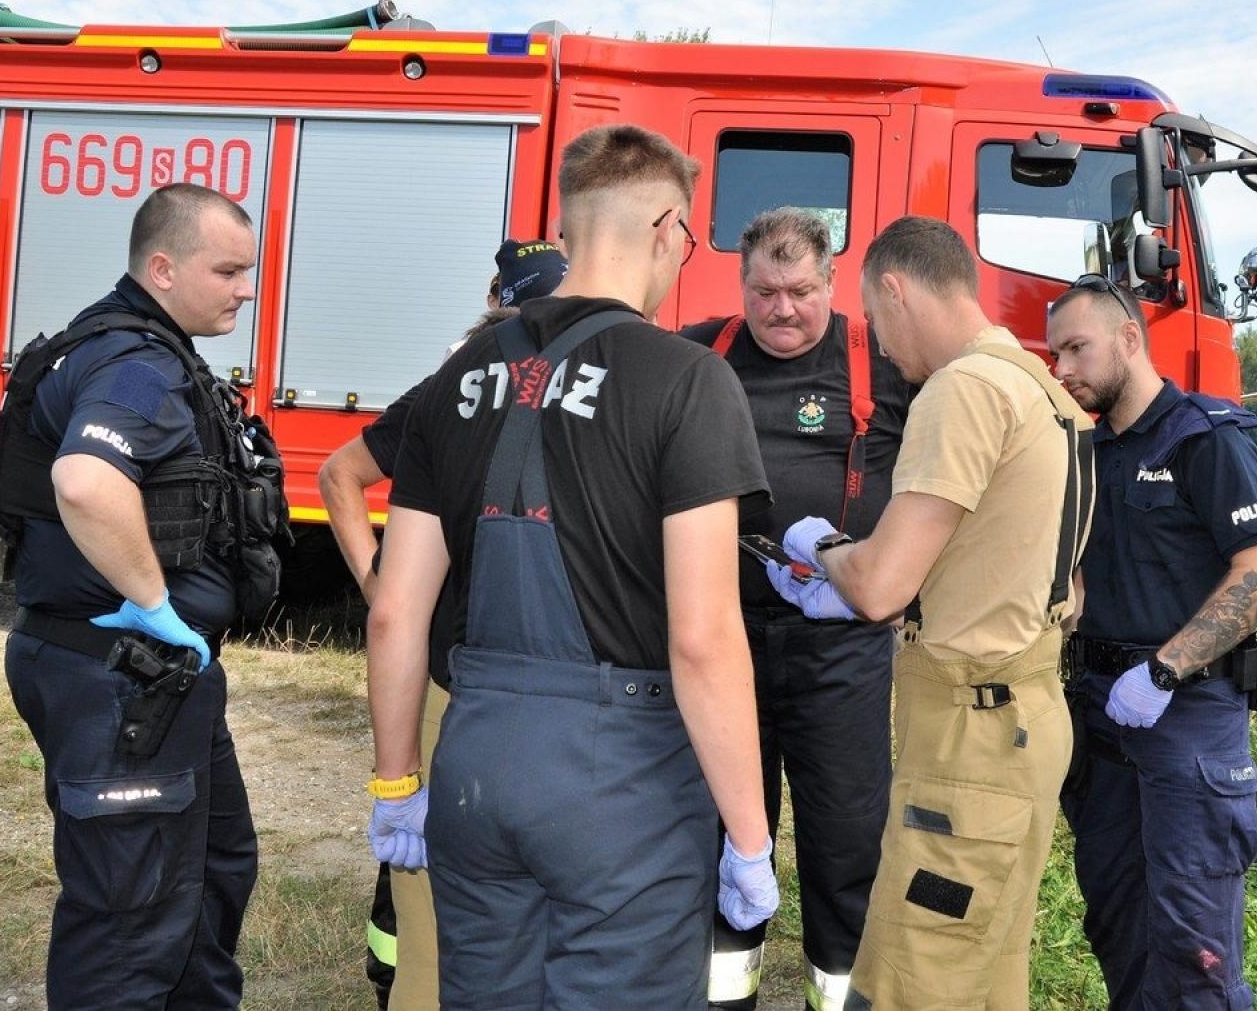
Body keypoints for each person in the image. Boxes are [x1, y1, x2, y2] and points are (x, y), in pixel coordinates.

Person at [365, 123, 780, 1008]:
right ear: (669, 226)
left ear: (568, 230)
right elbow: (704, 640)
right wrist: (749, 836)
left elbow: (395, 611)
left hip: (476, 760)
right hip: (621, 777)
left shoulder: (459, 375)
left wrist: (398, 783)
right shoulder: (688, 380)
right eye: (689, 241)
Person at [772, 217, 1094, 1010]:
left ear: (894, 289)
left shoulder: (962, 390)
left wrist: (824, 554)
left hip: (969, 737)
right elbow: (1066, 582)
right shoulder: (1042, 390)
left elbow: (879, 587)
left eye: (876, 325)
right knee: (986, 971)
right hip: (1024, 717)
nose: (880, 348)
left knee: (920, 976)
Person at [0, 183, 274, 1009]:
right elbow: (84, 481)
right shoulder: (136, 364)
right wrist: (154, 603)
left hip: (148, 676)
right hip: (121, 674)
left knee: (215, 866)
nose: (246, 289)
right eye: (227, 270)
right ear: (163, 267)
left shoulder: (133, 344)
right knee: (130, 916)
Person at [319, 237, 565, 1011]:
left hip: (473, 694)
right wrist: (381, 584)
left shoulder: (477, 385)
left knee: (451, 922)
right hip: (484, 693)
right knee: (443, 924)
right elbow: (341, 474)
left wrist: (384, 585)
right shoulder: (460, 389)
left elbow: (340, 475)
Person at [680, 208, 909, 1011]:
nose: (782, 310)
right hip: (721, 642)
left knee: (845, 841)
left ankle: (840, 993)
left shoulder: (881, 362)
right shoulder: (696, 353)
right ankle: (719, 995)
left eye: (801, 291)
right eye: (765, 292)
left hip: (839, 649)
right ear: (741, 284)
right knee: (717, 836)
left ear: (832, 281)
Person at [1046, 275, 1257, 1010]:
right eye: (1055, 354)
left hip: (1185, 718)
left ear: (1128, 339)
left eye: (1076, 349)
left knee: (1195, 948)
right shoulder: (1088, 451)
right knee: (1116, 921)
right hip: (1101, 715)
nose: (1062, 370)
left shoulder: (1202, 438)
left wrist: (1163, 670)